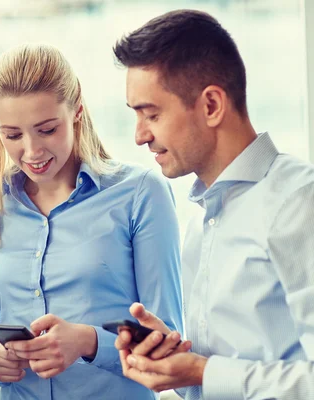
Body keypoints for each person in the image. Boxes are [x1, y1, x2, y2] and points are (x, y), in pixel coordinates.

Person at [112, 9, 314, 400]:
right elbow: (217, 377)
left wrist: (205, 371)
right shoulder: (202, 224)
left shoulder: (298, 203)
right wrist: (178, 363)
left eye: (151, 114)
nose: (140, 136)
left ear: (211, 106)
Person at [0, 43, 183, 399]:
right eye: (13, 135)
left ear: (77, 110)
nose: (32, 152)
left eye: (47, 129)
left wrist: (87, 342)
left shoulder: (141, 194)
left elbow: (167, 339)